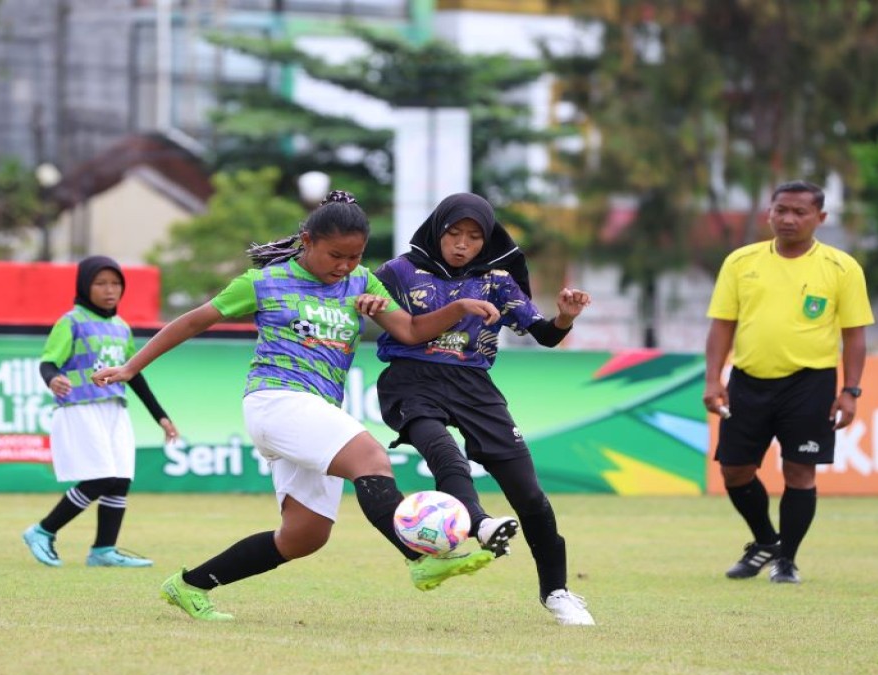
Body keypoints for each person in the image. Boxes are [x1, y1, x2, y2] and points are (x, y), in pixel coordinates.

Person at [92, 191, 503, 621]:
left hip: (317, 411)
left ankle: (190, 584)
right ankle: (420, 558)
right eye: (335, 255)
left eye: (355, 256)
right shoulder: (264, 282)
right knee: (370, 458)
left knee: (304, 536)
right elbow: (194, 320)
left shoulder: (362, 282)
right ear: (307, 241)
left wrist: (457, 308)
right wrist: (131, 366)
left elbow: (412, 331)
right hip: (275, 399)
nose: (344, 266)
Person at [373, 192, 596, 626]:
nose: (463, 244)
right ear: (437, 230)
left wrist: (565, 318)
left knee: (529, 494)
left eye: (474, 237)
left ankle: (557, 592)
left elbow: (545, 335)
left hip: (474, 385)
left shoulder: (498, 280)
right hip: (411, 380)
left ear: (487, 239)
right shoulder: (397, 271)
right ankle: (479, 522)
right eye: (454, 233)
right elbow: (363, 305)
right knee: (444, 453)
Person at [703, 180, 873, 584]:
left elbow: (854, 335)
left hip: (810, 384)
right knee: (734, 471)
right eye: (781, 210)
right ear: (769, 213)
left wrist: (850, 391)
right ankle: (766, 541)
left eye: (800, 212)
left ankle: (787, 561)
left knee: (800, 472)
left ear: (820, 217)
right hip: (748, 380)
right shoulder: (741, 262)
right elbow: (722, 325)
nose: (789, 219)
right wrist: (713, 379)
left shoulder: (841, 267)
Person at [22, 256, 180, 568]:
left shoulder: (121, 327)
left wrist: (160, 416)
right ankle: (42, 531)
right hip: (80, 405)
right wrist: (52, 379)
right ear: (85, 286)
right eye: (100, 283)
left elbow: (133, 374)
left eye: (116, 283)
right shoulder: (71, 322)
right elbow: (48, 362)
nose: (110, 290)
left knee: (120, 479)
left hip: (114, 408)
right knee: (101, 478)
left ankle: (103, 550)